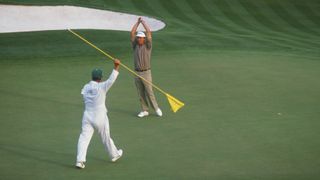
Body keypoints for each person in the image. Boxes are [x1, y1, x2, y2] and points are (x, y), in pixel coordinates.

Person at [75, 59, 123, 169]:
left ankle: (80, 161)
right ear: (100, 78)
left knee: (83, 139)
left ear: (92, 77)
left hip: (87, 117)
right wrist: (116, 66)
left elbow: (84, 93)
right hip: (100, 117)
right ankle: (114, 155)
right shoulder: (102, 87)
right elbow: (111, 80)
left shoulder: (86, 87)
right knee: (106, 137)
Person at [130, 17, 162, 118]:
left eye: (140, 38)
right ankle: (145, 110)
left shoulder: (148, 46)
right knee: (140, 93)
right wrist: (137, 22)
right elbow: (132, 32)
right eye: (138, 37)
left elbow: (148, 32)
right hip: (136, 72)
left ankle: (156, 108)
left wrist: (143, 22)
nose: (139, 39)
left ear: (144, 39)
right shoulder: (135, 45)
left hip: (146, 72)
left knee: (149, 91)